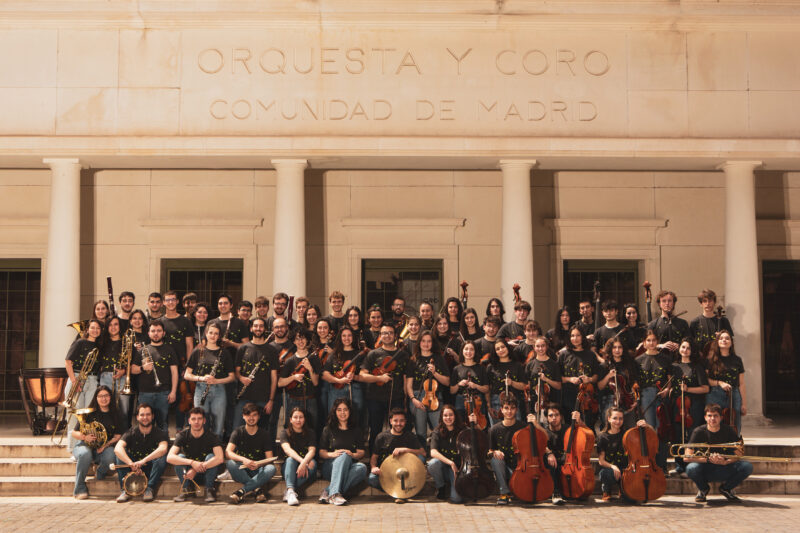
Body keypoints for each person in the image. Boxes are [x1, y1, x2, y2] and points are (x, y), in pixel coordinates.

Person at [683, 404, 753, 503]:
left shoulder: (728, 430)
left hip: (724, 467)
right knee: (691, 468)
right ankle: (703, 489)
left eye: (715, 416)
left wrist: (726, 462)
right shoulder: (698, 432)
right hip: (705, 468)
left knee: (747, 466)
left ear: (721, 418)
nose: (712, 419)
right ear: (705, 418)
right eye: (709, 416)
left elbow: (740, 454)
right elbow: (686, 457)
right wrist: (707, 459)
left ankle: (726, 489)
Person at [360, 324, 410, 452]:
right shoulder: (373, 354)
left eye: (390, 333)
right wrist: (378, 378)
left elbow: (405, 378)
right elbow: (362, 374)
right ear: (380, 336)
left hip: (396, 398)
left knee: (397, 430)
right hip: (374, 398)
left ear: (395, 335)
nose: (387, 336)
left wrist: (405, 399)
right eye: (384, 333)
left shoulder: (403, 355)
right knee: (375, 430)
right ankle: (373, 461)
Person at [71, 386, 123, 499]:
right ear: (96, 398)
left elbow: (118, 436)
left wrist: (105, 445)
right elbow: (74, 433)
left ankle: (100, 472)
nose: (103, 399)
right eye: (100, 396)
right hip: (85, 445)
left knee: (112, 455)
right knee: (85, 454)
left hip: (103, 447)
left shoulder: (116, 414)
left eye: (106, 396)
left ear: (110, 397)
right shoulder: (89, 413)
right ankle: (79, 488)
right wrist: (85, 437)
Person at [185, 322, 235, 437]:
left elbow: (232, 377)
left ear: (219, 336)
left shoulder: (225, 353)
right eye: (210, 332)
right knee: (200, 422)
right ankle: (202, 449)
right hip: (200, 389)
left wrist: (216, 381)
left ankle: (216, 450)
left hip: (219, 390)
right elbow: (187, 375)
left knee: (218, 423)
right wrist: (201, 378)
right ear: (206, 334)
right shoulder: (198, 351)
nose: (213, 335)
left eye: (216, 333)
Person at [113, 403, 169, 503]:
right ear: (137, 417)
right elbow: (117, 448)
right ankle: (125, 490)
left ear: (152, 416)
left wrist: (143, 461)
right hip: (133, 468)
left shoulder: (160, 433)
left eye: (148, 414)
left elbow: (163, 448)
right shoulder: (131, 432)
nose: (145, 417)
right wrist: (130, 463)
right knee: (121, 455)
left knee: (162, 458)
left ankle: (149, 488)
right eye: (142, 415)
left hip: (150, 469)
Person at [670, 338, 710, 477]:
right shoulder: (674, 366)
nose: (685, 350)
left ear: (691, 351)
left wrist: (688, 389)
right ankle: (679, 466)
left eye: (688, 348)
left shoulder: (696, 367)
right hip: (678, 405)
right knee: (678, 435)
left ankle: (691, 466)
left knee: (693, 435)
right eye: (683, 347)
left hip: (694, 406)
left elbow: (705, 389)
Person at [368, 407, 425, 503]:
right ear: (390, 421)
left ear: (405, 422)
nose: (399, 424)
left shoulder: (410, 436)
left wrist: (406, 449)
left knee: (421, 459)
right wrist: (373, 467)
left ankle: (402, 492)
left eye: (402, 421)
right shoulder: (381, 437)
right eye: (396, 421)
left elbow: (423, 453)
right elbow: (374, 457)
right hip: (387, 473)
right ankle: (397, 492)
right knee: (372, 479)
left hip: (407, 472)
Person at [168, 407, 225, 502]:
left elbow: (220, 458)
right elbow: (170, 457)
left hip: (207, 474)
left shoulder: (212, 436)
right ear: (189, 421)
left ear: (204, 421)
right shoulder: (182, 435)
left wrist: (195, 469)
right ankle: (186, 489)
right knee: (180, 457)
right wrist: (192, 462)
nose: (196, 422)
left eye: (199, 419)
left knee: (211, 457)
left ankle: (209, 490)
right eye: (193, 419)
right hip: (189, 477)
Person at [318, 398, 367, 506]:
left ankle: (328, 491)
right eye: (339, 410)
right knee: (343, 455)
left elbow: (361, 452)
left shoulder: (356, 430)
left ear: (350, 411)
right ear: (335, 412)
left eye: (345, 409)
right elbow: (321, 452)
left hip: (349, 465)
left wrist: (352, 454)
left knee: (362, 468)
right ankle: (334, 494)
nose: (342, 413)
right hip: (330, 466)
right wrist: (332, 454)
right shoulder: (328, 429)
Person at [131, 320, 178, 432]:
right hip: (145, 393)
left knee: (163, 424)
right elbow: (132, 370)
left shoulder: (169, 350)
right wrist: (143, 368)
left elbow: (174, 372)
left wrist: (173, 392)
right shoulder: (142, 350)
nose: (156, 333)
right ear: (148, 333)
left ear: (163, 333)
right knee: (144, 424)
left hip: (164, 393)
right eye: (153, 331)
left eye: (158, 331)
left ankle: (164, 447)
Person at [405, 330, 450, 447]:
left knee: (439, 429)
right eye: (423, 341)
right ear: (419, 343)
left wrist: (435, 373)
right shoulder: (413, 360)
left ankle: (439, 453)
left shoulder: (439, 359)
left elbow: (447, 381)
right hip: (417, 397)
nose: (426, 344)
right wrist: (413, 399)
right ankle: (422, 457)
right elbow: (409, 385)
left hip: (435, 397)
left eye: (429, 341)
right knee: (420, 431)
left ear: (432, 343)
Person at [225, 402, 276, 504]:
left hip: (257, 469)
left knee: (271, 468)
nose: (251, 418)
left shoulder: (264, 434)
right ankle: (257, 490)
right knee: (230, 463)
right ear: (243, 416)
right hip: (242, 468)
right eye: (248, 415)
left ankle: (241, 492)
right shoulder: (238, 432)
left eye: (254, 415)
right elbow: (228, 452)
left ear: (259, 417)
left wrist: (258, 464)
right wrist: (244, 460)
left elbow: (269, 458)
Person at [233, 318, 279, 432]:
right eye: (256, 326)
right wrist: (241, 378)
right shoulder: (243, 348)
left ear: (265, 329)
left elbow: (274, 378)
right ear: (251, 328)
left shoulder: (272, 350)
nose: (258, 328)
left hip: (263, 398)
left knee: (262, 431)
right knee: (238, 429)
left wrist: (271, 400)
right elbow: (236, 371)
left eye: (261, 326)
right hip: (244, 397)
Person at [65, 318, 103, 451]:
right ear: (87, 329)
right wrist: (75, 382)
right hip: (77, 378)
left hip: (92, 380)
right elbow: (68, 362)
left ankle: (85, 447)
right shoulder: (79, 342)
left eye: (98, 328)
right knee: (75, 416)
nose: (95, 330)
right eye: (92, 328)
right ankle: (72, 449)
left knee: (88, 416)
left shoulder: (99, 346)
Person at [596, 406, 649, 501]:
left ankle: (623, 489)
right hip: (610, 469)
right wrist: (613, 466)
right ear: (608, 419)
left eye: (620, 418)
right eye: (615, 418)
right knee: (604, 473)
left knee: (631, 500)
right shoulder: (602, 436)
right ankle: (606, 491)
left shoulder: (628, 434)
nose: (618, 421)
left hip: (626, 470)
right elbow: (601, 461)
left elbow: (646, 438)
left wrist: (646, 427)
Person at [278, 329, 322, 432]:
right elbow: (280, 383)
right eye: (297, 339)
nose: (300, 341)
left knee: (312, 429)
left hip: (310, 399)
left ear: (307, 340)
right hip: (294, 400)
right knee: (293, 430)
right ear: (293, 341)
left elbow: (315, 382)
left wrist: (310, 368)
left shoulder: (314, 358)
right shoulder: (290, 360)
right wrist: (294, 377)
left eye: (303, 338)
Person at [558, 326, 600, 430]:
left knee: (588, 426)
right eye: (572, 336)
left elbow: (596, 376)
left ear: (582, 337)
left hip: (587, 398)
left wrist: (589, 379)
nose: (575, 338)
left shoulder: (590, 354)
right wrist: (570, 379)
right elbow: (558, 377)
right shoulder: (563, 355)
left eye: (578, 335)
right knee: (570, 426)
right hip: (568, 396)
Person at [705, 330, 746, 435]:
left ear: (731, 342)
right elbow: (707, 380)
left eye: (727, 338)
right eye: (721, 338)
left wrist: (744, 404)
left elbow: (741, 383)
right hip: (715, 393)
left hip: (734, 393)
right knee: (714, 421)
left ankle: (733, 448)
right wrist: (720, 383)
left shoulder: (737, 360)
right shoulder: (711, 360)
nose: (724, 340)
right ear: (717, 342)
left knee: (734, 422)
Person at [488, 396, 526, 505]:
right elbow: (489, 451)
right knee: (495, 460)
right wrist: (494, 452)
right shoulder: (494, 429)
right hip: (504, 470)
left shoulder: (523, 427)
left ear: (516, 410)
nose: (509, 411)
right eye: (506, 408)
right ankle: (504, 493)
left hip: (520, 469)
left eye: (512, 408)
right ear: (501, 409)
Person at [597, 337, 640, 430]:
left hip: (627, 400)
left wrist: (636, 400)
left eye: (620, 347)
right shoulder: (604, 366)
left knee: (630, 430)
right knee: (609, 430)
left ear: (623, 349)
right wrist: (608, 376)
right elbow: (600, 387)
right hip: (609, 400)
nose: (617, 350)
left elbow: (635, 384)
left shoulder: (630, 364)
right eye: (614, 347)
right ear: (610, 349)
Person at [279, 407, 318, 506]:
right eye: (295, 417)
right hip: (288, 467)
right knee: (291, 459)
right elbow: (288, 450)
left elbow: (312, 451)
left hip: (304, 465)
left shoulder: (311, 432)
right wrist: (302, 462)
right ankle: (291, 491)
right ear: (290, 420)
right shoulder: (284, 433)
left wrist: (304, 463)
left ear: (304, 419)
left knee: (313, 463)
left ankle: (289, 491)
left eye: (301, 417)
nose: (298, 420)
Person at [428, 405, 465, 504]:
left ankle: (454, 485)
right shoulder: (437, 431)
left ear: (455, 416)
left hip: (458, 469)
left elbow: (475, 437)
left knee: (457, 499)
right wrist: (451, 463)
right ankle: (441, 487)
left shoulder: (463, 430)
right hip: (444, 467)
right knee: (432, 464)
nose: (448, 418)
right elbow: (433, 452)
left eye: (450, 415)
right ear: (441, 417)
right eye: (445, 415)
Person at [99, 316, 130, 425]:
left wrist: (124, 371)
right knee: (106, 409)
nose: (113, 327)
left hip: (122, 378)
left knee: (124, 410)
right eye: (110, 325)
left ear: (120, 326)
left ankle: (124, 438)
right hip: (105, 377)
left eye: (116, 324)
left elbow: (132, 362)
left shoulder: (126, 342)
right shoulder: (102, 342)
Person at [487, 339, 525, 425]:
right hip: (496, 401)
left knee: (515, 428)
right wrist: (489, 405)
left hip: (514, 400)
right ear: (495, 352)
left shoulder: (517, 365)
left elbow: (524, 386)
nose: (501, 350)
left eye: (503, 347)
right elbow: (488, 389)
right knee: (497, 428)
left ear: (507, 347)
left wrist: (512, 383)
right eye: (497, 349)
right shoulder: (491, 367)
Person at [449, 341, 489, 422]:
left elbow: (486, 389)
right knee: (461, 426)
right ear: (462, 351)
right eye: (466, 349)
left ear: (475, 352)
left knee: (479, 425)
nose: (468, 352)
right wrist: (459, 384)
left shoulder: (481, 368)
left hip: (477, 401)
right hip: (461, 400)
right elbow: (452, 391)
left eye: (471, 349)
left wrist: (476, 386)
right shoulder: (457, 369)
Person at [524, 337, 562, 422]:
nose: (540, 348)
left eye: (543, 346)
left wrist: (546, 379)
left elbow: (559, 386)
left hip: (550, 403)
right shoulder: (530, 365)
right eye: (537, 346)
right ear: (534, 347)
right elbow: (528, 385)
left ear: (547, 347)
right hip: (534, 403)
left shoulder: (554, 365)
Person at [689, 289, 734, 355]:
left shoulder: (723, 321)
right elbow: (691, 342)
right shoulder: (695, 322)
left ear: (714, 302)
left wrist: (722, 337)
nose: (707, 304)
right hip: (700, 358)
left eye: (710, 301)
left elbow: (730, 341)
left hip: (719, 357)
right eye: (704, 301)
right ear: (701, 304)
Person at [647, 289, 690, 355]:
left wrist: (680, 345)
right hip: (660, 359)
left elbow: (689, 342)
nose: (667, 303)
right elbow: (647, 345)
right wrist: (661, 345)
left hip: (679, 359)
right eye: (664, 301)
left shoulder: (683, 323)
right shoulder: (652, 324)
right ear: (659, 304)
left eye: (669, 301)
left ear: (673, 303)